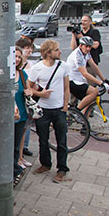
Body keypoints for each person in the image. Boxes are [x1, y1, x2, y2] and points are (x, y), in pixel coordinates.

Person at [27, 40, 70, 184]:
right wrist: (40, 95)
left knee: (62, 140)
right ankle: (45, 164)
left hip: (59, 109)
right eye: (57, 50)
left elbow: (66, 88)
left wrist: (65, 106)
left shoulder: (63, 66)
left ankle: (62, 169)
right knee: (43, 139)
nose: (60, 52)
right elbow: (29, 88)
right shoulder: (37, 68)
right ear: (48, 52)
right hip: (43, 109)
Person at [66, 36, 109, 113]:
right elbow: (85, 74)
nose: (88, 49)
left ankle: (84, 121)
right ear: (80, 45)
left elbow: (94, 67)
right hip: (71, 81)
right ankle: (77, 112)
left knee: (91, 100)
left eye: (90, 47)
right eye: (86, 46)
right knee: (94, 92)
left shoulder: (86, 53)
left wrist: (104, 80)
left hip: (78, 81)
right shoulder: (77, 55)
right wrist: (100, 83)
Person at [13, 47, 34, 186]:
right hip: (7, 117)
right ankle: (15, 171)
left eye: (19, 57)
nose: (17, 59)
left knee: (15, 146)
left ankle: (14, 172)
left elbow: (29, 89)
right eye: (15, 56)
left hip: (21, 115)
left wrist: (29, 92)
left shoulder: (22, 74)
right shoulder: (3, 74)